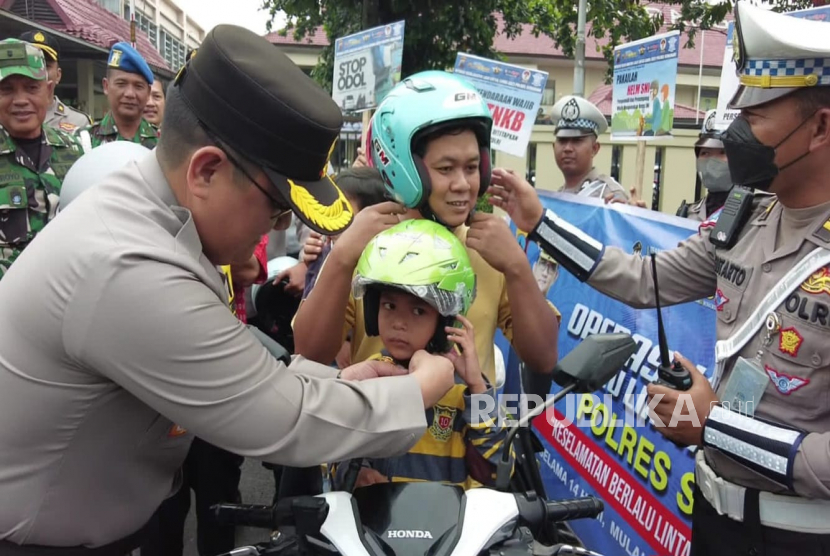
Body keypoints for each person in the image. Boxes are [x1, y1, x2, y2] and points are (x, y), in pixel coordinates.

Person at [0, 25, 456, 552]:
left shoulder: (150, 218)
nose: (273, 227)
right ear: (207, 170)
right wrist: (418, 390)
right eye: (276, 207)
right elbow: (284, 418)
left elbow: (247, 375)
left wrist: (345, 381)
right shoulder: (129, 265)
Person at [487, 4, 830, 553]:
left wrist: (712, 425)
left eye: (757, 116)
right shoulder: (746, 220)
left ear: (819, 127)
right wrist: (540, 223)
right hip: (716, 518)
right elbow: (643, 278)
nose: (737, 132)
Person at [293, 71, 561, 385]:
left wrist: (516, 266)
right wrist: (340, 258)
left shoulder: (492, 248)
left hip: (470, 432)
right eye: (446, 169)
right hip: (381, 432)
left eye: (472, 167)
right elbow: (309, 353)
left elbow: (543, 358)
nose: (463, 184)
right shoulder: (369, 243)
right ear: (404, 169)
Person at [334, 219, 513, 489]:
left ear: (444, 321)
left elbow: (500, 469)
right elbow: (333, 446)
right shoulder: (368, 376)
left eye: (418, 311)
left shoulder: (463, 390)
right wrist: (356, 474)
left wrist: (477, 386)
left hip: (451, 526)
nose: (399, 322)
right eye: (389, 306)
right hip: (375, 522)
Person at [0, 38, 84, 279]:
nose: (20, 100)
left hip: (64, 297)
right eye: (7, 89)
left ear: (48, 91)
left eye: (31, 87)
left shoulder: (73, 151)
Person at [78, 42, 159, 150]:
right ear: (106, 86)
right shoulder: (83, 142)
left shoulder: (162, 144)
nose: (129, 94)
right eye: (121, 84)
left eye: (138, 86)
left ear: (148, 92)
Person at [549, 95, 628, 201]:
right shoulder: (558, 196)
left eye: (577, 140)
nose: (567, 148)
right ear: (554, 147)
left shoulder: (609, 195)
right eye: (562, 140)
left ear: (594, 148)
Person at [18, 30, 92, 134]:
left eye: (46, 66)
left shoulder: (78, 121)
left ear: (58, 75)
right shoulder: (7, 115)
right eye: (32, 65)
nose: (39, 72)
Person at [676, 109, 732, 221]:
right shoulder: (688, 214)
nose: (712, 161)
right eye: (705, 153)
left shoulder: (758, 214)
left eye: (722, 152)